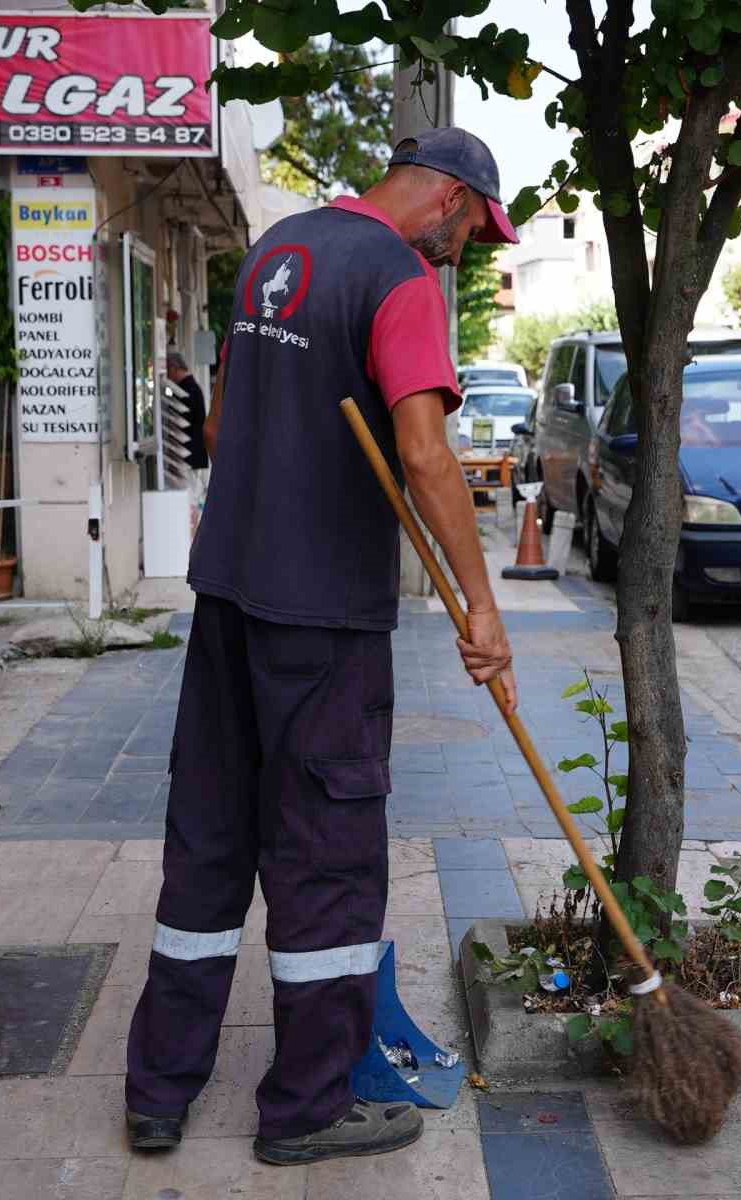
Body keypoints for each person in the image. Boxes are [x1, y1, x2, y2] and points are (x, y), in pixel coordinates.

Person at [123, 126, 520, 1168]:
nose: (467, 251)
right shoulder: (398, 279)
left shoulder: (275, 251)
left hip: (228, 596)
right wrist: (482, 606)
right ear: (446, 200)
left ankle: (157, 1093)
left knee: (209, 840)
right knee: (326, 862)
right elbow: (428, 457)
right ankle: (304, 1107)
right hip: (324, 621)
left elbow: (224, 427)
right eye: (474, 228)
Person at [164, 350, 209, 473]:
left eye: (167, 370)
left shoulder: (186, 390)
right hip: (191, 457)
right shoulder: (190, 387)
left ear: (174, 367)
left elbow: (180, 422)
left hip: (189, 458)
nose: (167, 375)